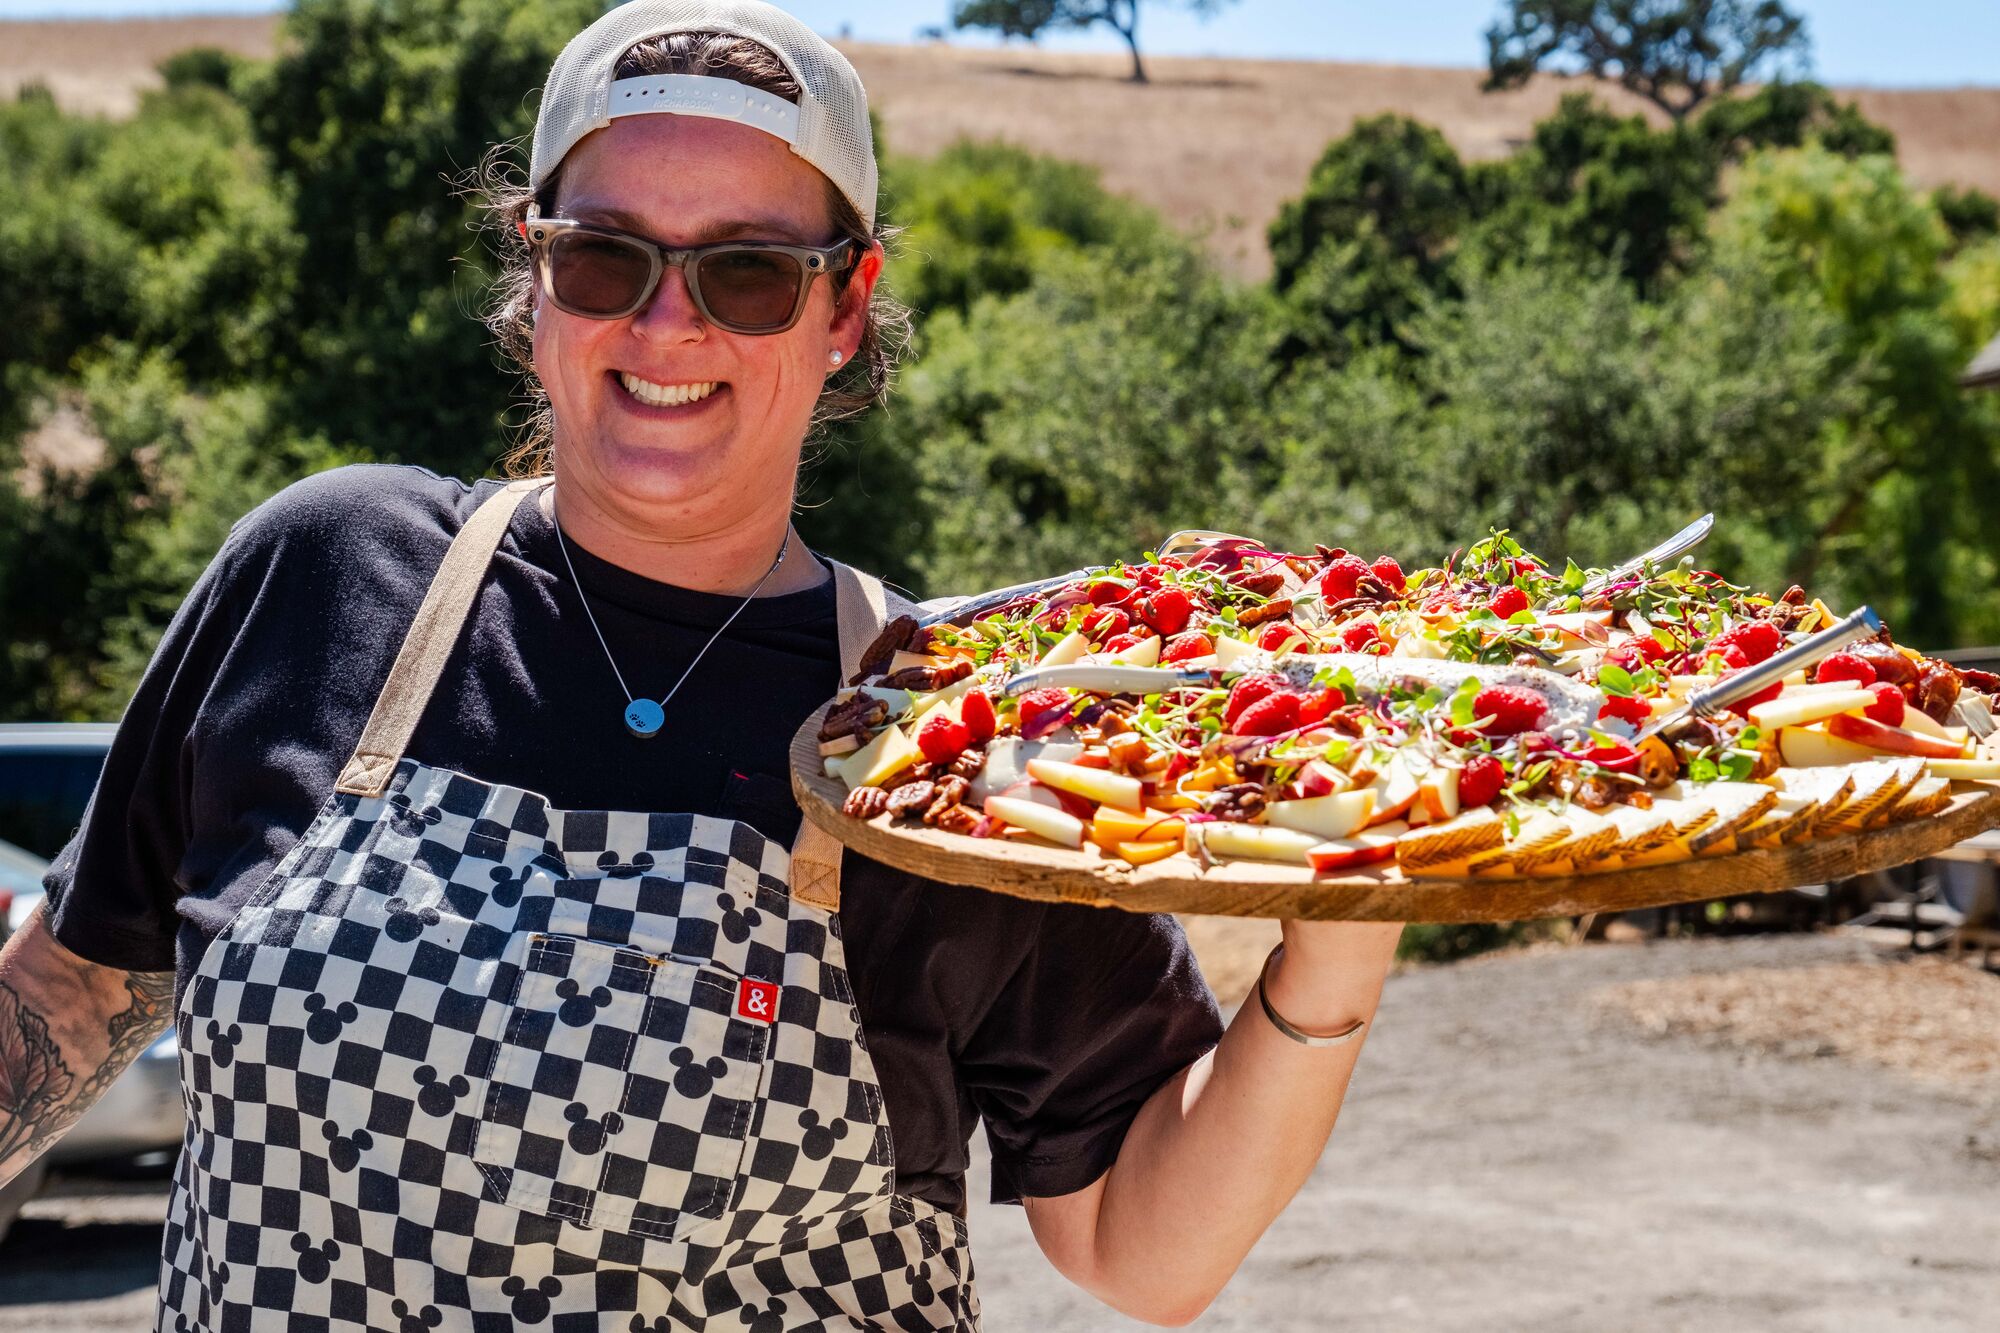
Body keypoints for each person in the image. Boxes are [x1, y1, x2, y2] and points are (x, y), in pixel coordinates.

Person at [0, 2, 1402, 1327]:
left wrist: (1345, 931)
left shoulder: (950, 726)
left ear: (844, 306)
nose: (668, 324)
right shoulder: (322, 573)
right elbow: (74, 993)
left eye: (747, 272)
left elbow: (1143, 1249)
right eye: (605, 257)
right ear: (534, 278)